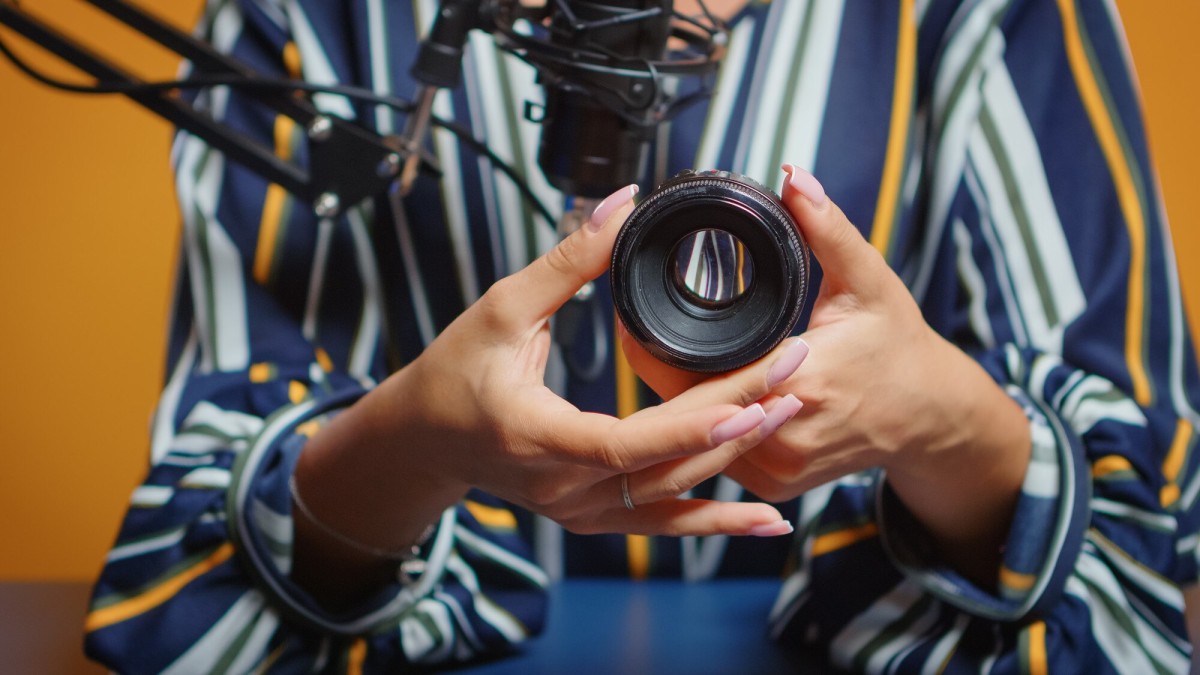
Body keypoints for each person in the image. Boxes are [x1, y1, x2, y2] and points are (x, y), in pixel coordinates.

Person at [83, 0, 1200, 672]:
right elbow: (197, 604)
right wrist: (412, 445)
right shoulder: (320, 16)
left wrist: (945, 426)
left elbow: (1138, 575)